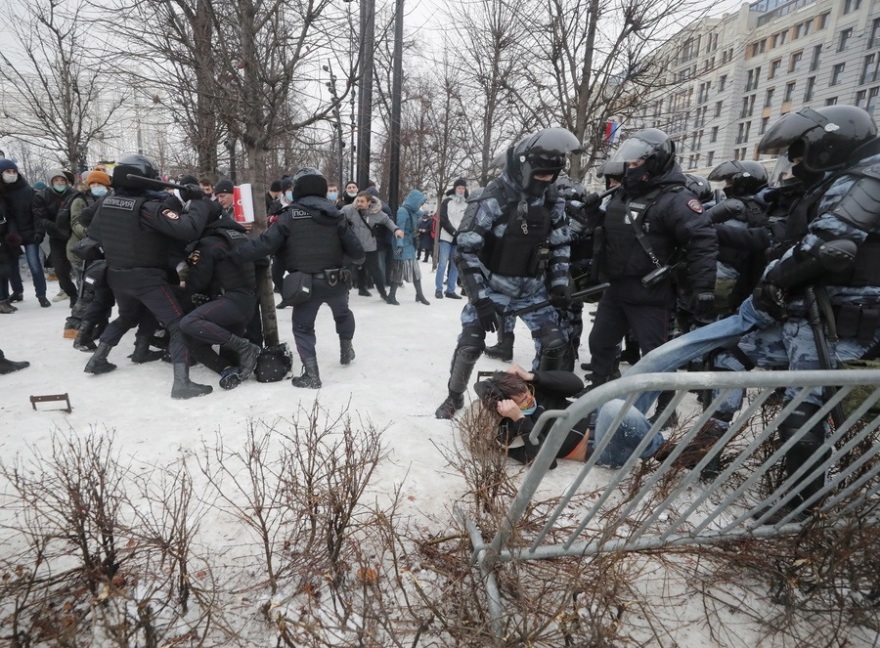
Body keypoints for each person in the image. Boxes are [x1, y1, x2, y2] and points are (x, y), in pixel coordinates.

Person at [629, 106, 880, 521]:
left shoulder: (867, 181)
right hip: (801, 312)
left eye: (799, 151)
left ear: (828, 143)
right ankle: (706, 448)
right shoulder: (838, 182)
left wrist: (773, 281)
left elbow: (827, 244)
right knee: (728, 358)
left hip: (835, 319)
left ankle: (797, 508)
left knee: (803, 407)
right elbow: (785, 233)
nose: (795, 161)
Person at [435, 127, 581, 419]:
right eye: (540, 176)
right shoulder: (493, 197)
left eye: (551, 177)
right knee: (470, 345)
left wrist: (559, 283)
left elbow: (561, 243)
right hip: (492, 287)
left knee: (554, 344)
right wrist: (480, 299)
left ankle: (537, 400)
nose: (546, 182)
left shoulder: (553, 199)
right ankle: (454, 396)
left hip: (532, 289)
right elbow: (465, 251)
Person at [586, 128, 718, 394]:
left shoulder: (677, 199)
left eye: (637, 164)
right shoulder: (623, 193)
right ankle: (598, 390)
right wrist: (592, 216)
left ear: (656, 162)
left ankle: (664, 406)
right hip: (616, 288)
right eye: (629, 164)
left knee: (655, 356)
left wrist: (704, 287)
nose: (631, 169)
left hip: (651, 293)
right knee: (600, 342)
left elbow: (702, 241)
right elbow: (615, 231)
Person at [82, 154, 217, 399]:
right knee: (178, 325)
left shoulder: (107, 203)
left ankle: (97, 359)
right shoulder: (148, 208)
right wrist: (198, 201)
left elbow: (94, 231)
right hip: (146, 279)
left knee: (126, 317)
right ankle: (182, 383)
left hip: (117, 275)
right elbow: (189, 228)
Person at [232, 168, 365, 389]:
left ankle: (312, 375)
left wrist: (234, 255)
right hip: (336, 282)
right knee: (343, 314)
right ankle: (346, 351)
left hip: (305, 285)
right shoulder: (337, 216)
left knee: (303, 328)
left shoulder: (288, 216)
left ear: (299, 189)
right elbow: (358, 252)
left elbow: (264, 245)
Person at [472, 364, 665, 467]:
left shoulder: (531, 391)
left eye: (528, 391)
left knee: (649, 365)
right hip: (599, 447)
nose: (530, 399)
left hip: (596, 415)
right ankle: (664, 451)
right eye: (522, 400)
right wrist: (520, 420)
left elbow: (576, 385)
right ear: (506, 406)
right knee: (614, 408)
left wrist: (533, 377)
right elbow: (546, 463)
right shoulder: (508, 432)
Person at [178, 214, 261, 390]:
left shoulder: (209, 244)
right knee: (198, 340)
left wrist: (183, 293)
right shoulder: (242, 237)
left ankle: (245, 348)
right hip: (245, 304)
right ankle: (228, 369)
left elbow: (198, 280)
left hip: (232, 302)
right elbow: (262, 262)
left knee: (188, 323)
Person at [703, 160, 771, 319]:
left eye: (729, 182)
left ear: (742, 182)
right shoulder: (756, 207)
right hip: (734, 277)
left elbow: (704, 222)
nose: (726, 186)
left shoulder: (739, 208)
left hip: (727, 277)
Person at [63, 169, 113, 337]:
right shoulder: (80, 200)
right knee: (86, 291)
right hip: (83, 251)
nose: (96, 186)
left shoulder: (111, 198)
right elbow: (76, 223)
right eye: (93, 183)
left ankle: (100, 324)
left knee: (101, 291)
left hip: (101, 251)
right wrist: (93, 233)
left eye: (100, 183)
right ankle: (73, 326)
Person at [342, 190, 403, 301]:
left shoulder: (376, 213)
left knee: (376, 272)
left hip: (369, 247)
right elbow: (339, 216)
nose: (359, 203)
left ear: (369, 202)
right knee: (345, 269)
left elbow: (387, 221)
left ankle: (383, 294)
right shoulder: (350, 209)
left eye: (362, 201)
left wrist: (396, 229)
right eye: (358, 201)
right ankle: (343, 294)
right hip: (353, 246)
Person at [388, 188, 431, 306]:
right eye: (420, 203)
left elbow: (420, 213)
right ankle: (391, 296)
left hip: (409, 243)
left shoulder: (412, 210)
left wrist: (426, 211)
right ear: (414, 201)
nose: (420, 205)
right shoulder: (402, 211)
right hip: (400, 243)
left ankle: (419, 295)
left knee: (415, 270)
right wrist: (400, 245)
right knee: (399, 269)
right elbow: (399, 229)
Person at [435, 178, 468, 299]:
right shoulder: (447, 201)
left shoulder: (466, 204)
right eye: (459, 187)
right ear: (455, 189)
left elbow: (466, 221)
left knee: (455, 265)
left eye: (463, 188)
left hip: (459, 239)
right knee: (443, 264)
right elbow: (443, 219)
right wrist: (454, 232)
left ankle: (450, 290)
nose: (461, 190)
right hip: (446, 237)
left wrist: (462, 233)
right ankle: (438, 289)